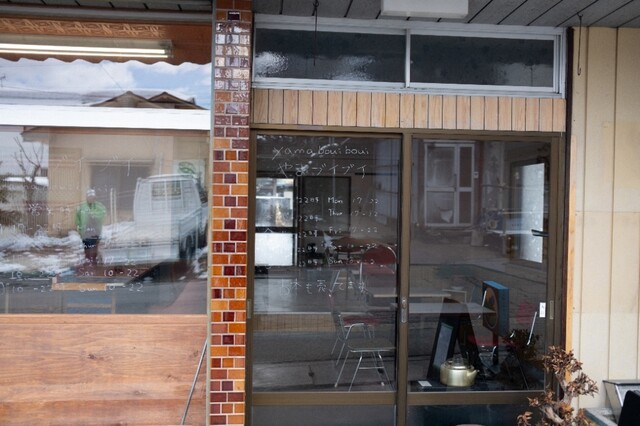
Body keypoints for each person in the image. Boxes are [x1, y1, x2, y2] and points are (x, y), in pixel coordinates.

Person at [75, 188, 106, 265]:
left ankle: (94, 261)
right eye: (89, 197)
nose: (91, 199)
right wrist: (79, 227)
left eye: (92, 197)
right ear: (87, 197)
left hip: (96, 231)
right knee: (86, 247)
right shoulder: (82, 207)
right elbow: (77, 218)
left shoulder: (99, 206)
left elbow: (103, 214)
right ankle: (87, 260)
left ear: (95, 198)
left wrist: (93, 214)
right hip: (85, 231)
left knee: (94, 247)